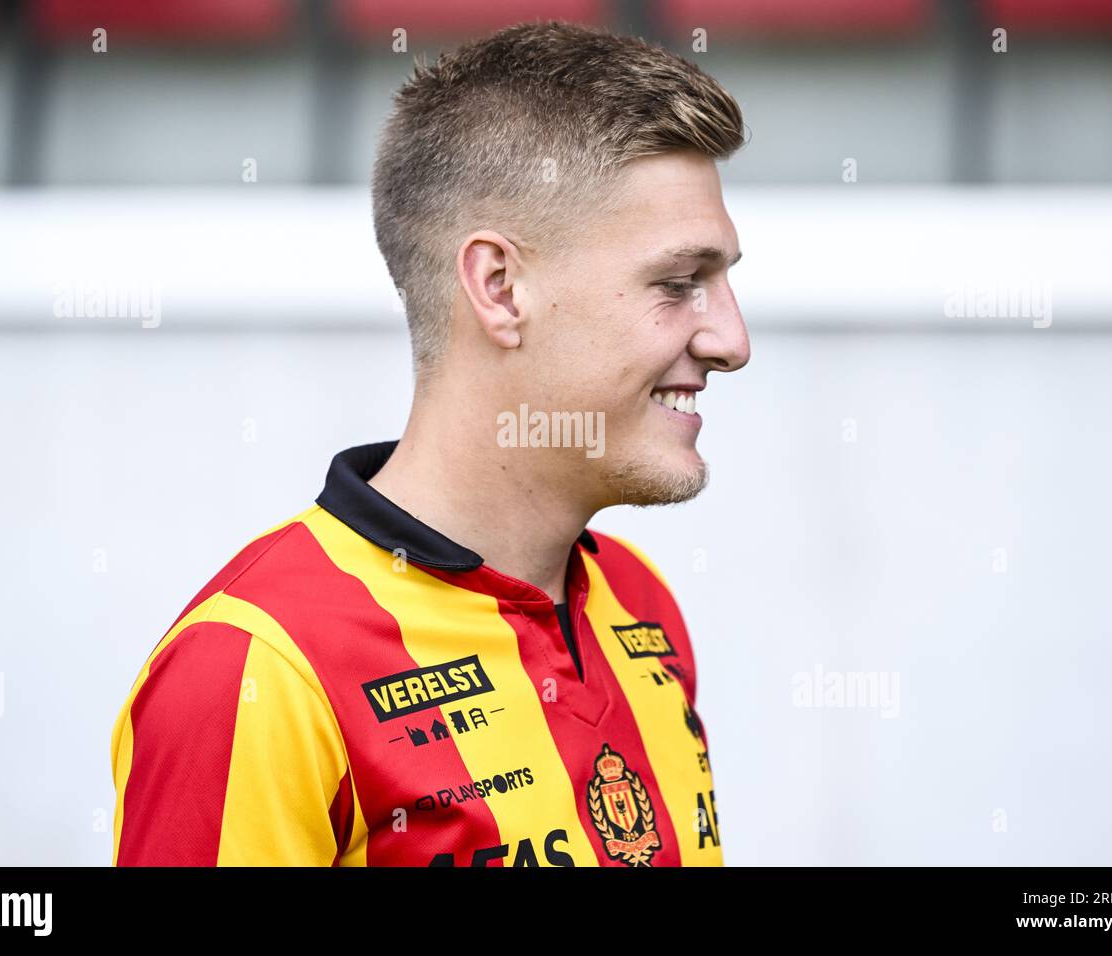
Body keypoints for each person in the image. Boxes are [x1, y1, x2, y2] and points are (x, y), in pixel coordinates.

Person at [110, 19, 749, 867]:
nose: (731, 341)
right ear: (499, 286)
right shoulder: (255, 668)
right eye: (678, 284)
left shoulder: (640, 604)